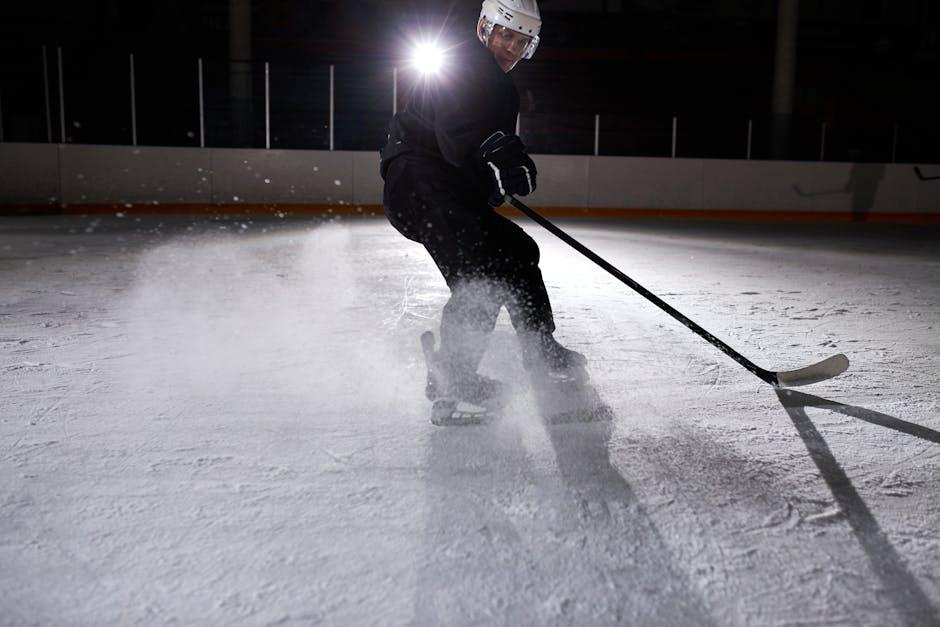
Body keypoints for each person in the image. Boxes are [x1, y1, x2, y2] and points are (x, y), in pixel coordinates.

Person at [380, 0, 586, 422]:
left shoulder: (496, 83)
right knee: (481, 277)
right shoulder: (465, 64)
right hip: (421, 182)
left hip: (442, 187)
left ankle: (539, 345)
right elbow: (459, 131)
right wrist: (493, 154)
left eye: (521, 40)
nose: (510, 47)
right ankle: (453, 378)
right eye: (505, 35)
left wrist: (501, 174)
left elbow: (477, 151)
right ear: (484, 29)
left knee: (517, 249)